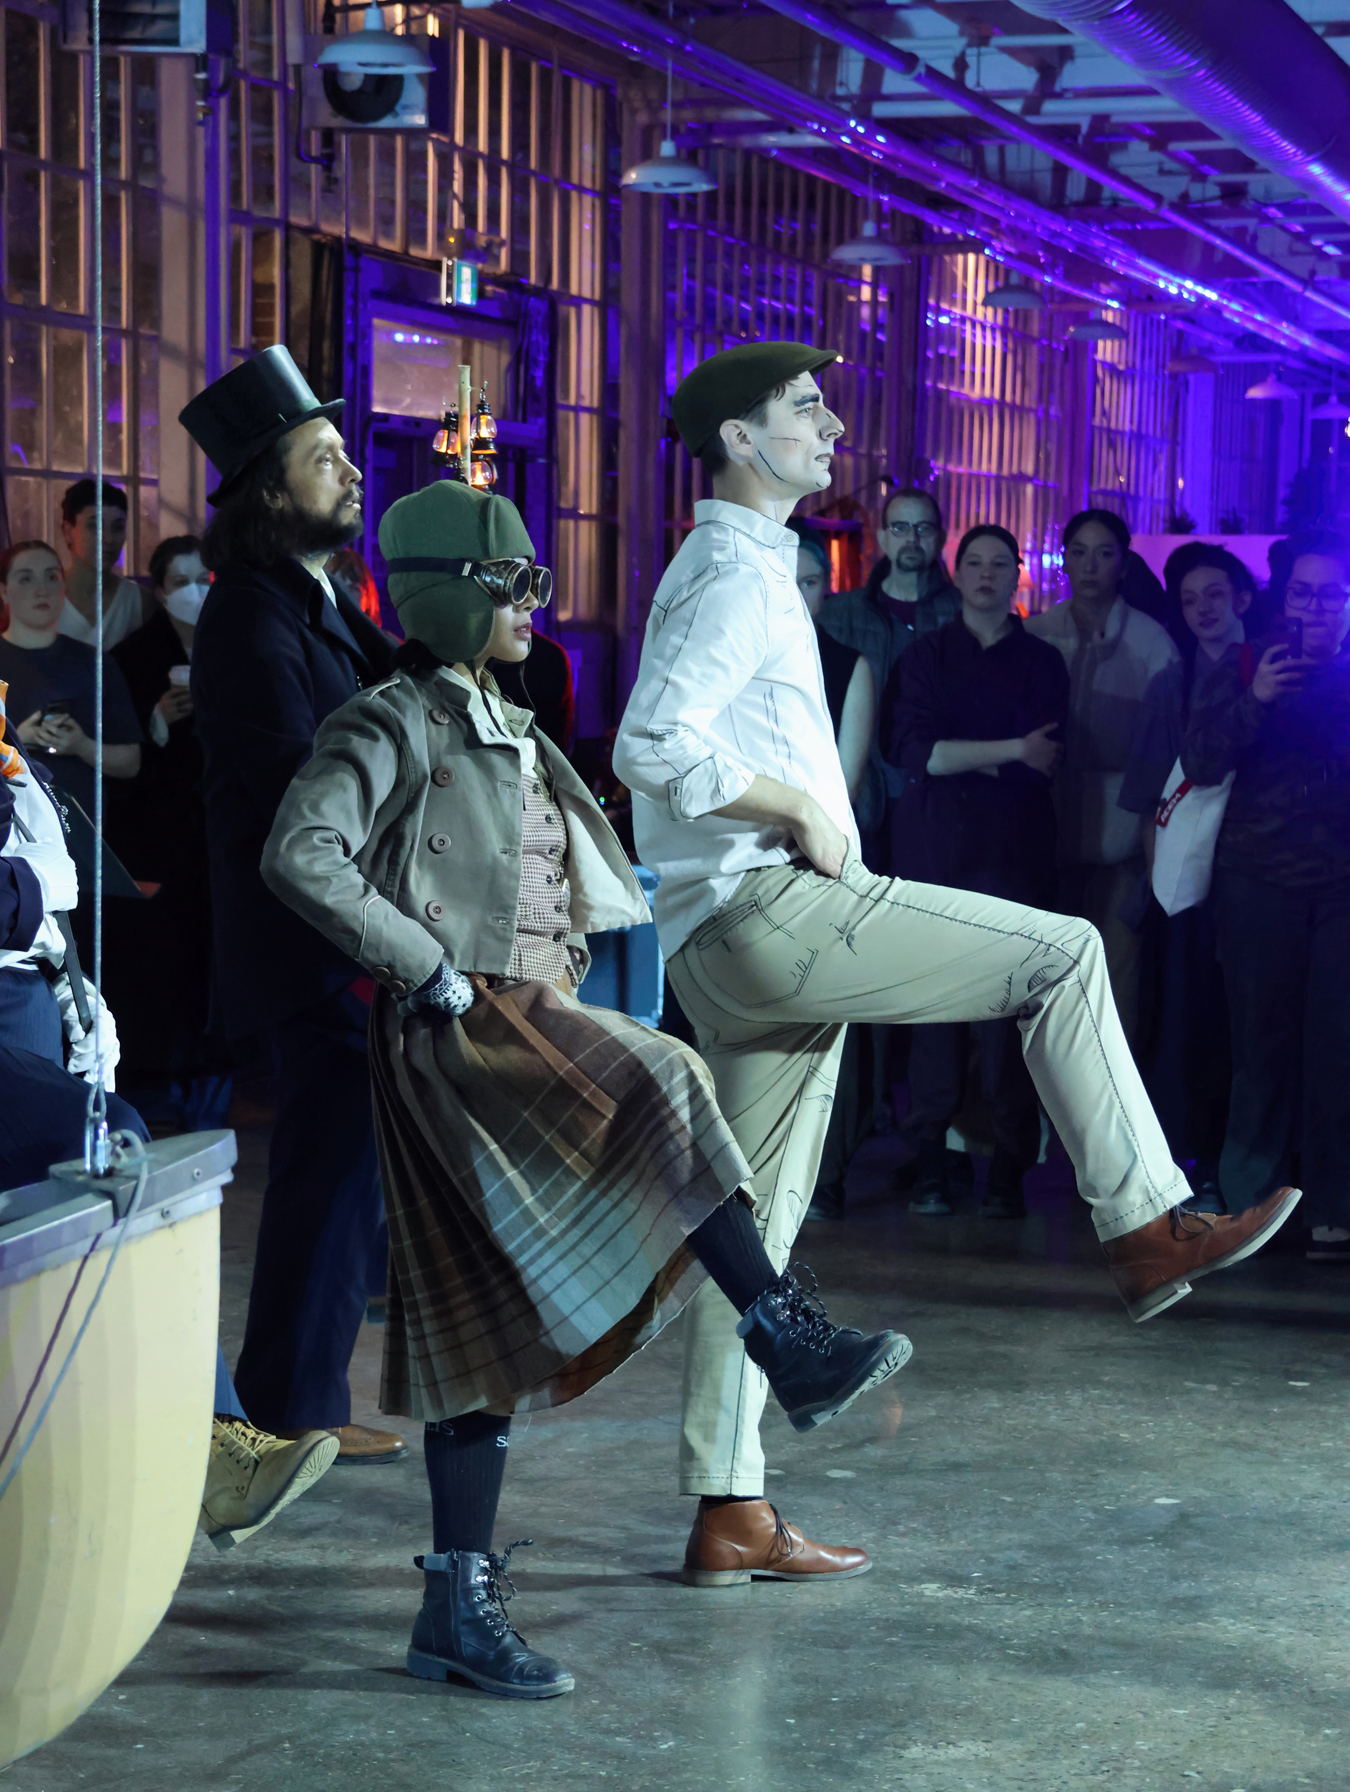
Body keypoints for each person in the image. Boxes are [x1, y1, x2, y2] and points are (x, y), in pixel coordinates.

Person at [613, 340, 1299, 1553]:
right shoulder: (729, 570)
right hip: (768, 910)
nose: (832, 425)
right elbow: (650, 745)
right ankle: (1148, 1224)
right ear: (739, 440)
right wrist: (801, 807)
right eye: (806, 407)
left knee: (754, 1233)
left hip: (727, 930)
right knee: (1066, 956)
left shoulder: (745, 565)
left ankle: (730, 1507)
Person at [259, 477, 910, 1698]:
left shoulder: (495, 712)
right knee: (667, 1081)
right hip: (466, 1026)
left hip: (518, 1011)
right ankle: (787, 1335)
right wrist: (423, 964)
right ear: (449, 595)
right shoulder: (390, 719)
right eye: (510, 584)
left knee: (482, 1320)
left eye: (535, 581)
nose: (534, 604)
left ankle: (454, 1608)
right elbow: (302, 851)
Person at [0, 693, 338, 1550]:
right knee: (101, 1144)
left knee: (63, 1228)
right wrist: (32, 892)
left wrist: (72, 983)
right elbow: (28, 883)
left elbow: (40, 880)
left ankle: (176, 1454)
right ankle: (209, 1445)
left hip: (28, 992)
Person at [179, 345, 403, 1463]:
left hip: (344, 932)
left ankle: (299, 1397)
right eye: (324, 458)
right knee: (331, 1167)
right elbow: (293, 780)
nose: (350, 472)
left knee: (347, 1166)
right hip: (308, 940)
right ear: (270, 491)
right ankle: (288, 1411)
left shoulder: (318, 600)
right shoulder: (246, 614)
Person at [882, 525, 1069, 1219]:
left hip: (1014, 852)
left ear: (1019, 575)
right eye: (974, 563)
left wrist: (971, 755)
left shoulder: (1043, 661)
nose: (986, 574)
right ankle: (932, 1157)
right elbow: (918, 755)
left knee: (1006, 1013)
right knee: (933, 1008)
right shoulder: (924, 656)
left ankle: (1008, 1167)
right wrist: (1009, 751)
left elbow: (1044, 762)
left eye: (999, 564)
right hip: (933, 849)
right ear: (955, 574)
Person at [1182, 529, 1350, 1265]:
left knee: (1338, 1045)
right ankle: (1253, 1198)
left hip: (1342, 887)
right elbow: (1199, 757)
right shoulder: (1248, 663)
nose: (1315, 608)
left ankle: (1333, 1205)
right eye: (1303, 593)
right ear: (1285, 598)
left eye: (1331, 594)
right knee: (1260, 1042)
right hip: (1257, 881)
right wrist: (1255, 700)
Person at [1118, 545, 1257, 1205]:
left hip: (1262, 878)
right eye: (1191, 599)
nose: (1204, 609)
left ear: (1243, 599)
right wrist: (1158, 887)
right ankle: (1189, 1163)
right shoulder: (1169, 685)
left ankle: (1248, 1165)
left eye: (1216, 595)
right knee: (1186, 1025)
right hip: (1186, 887)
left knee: (1246, 1025)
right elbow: (1151, 799)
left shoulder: (1270, 671)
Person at [1025, 509, 1179, 1046]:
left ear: (1123, 563)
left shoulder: (1153, 645)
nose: (1090, 565)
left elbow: (1162, 759)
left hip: (1123, 844)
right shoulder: (1036, 634)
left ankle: (1112, 1092)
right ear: (1064, 560)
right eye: (1079, 552)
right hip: (1045, 836)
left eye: (1105, 553)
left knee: (1116, 979)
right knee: (1041, 975)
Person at [100, 535, 230, 1129]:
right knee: (163, 956)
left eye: (204, 580)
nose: (195, 593)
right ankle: (162, 1083)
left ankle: (216, 1074)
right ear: (158, 591)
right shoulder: (134, 655)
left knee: (216, 952)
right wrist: (155, 722)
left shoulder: (234, 641)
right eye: (180, 583)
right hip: (158, 828)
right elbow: (123, 751)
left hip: (221, 821)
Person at [788, 519, 878, 1223]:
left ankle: (825, 1173)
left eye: (812, 581)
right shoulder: (732, 657)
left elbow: (841, 786)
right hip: (739, 856)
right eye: (786, 579)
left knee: (827, 1015)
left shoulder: (848, 665)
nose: (798, 592)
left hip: (820, 856)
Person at [815, 485, 959, 855]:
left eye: (923, 528)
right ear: (882, 537)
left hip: (943, 798)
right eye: (900, 527)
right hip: (864, 794)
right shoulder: (840, 615)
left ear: (941, 537)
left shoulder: (964, 615)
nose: (912, 538)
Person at [0, 540, 142, 822]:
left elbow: (131, 762)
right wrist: (17, 744)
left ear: (64, 588)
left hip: (81, 830)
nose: (42, 589)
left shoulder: (95, 663)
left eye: (52, 577)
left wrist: (82, 745)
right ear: (4, 591)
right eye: (26, 579)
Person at [55, 478, 148, 651]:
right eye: (95, 526)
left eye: (118, 527)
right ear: (68, 532)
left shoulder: (138, 601)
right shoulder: (44, 596)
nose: (108, 539)